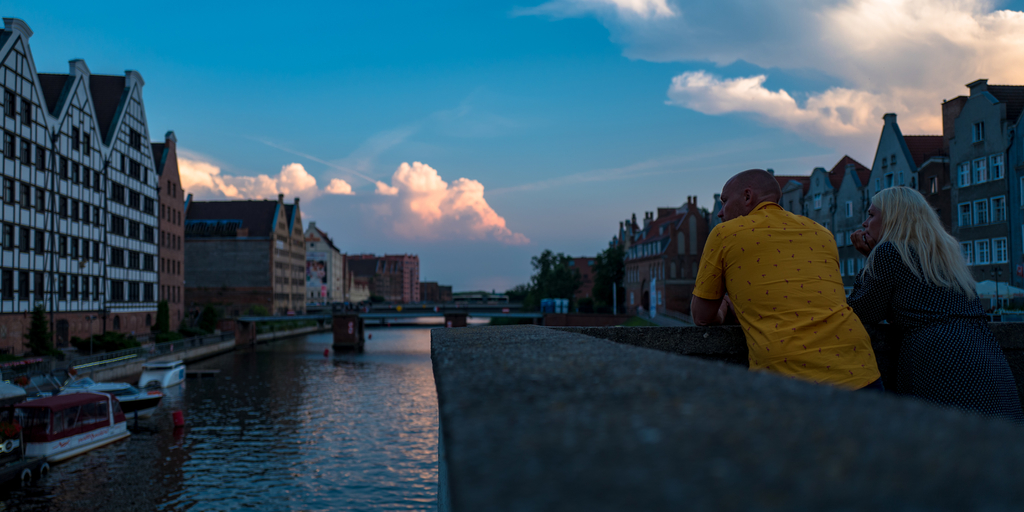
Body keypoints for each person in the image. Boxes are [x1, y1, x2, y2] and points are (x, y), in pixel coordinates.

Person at [691, 169, 882, 390]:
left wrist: (725, 305)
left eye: (724, 202)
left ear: (747, 196)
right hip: (861, 369)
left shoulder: (724, 234)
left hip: (789, 375)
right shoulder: (821, 233)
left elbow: (702, 316)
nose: (720, 213)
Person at [848, 186, 1023, 422]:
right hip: (986, 354)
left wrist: (869, 258)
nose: (865, 222)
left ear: (892, 217)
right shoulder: (946, 252)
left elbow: (862, 310)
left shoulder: (889, 252)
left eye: (871, 214)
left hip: (937, 360)